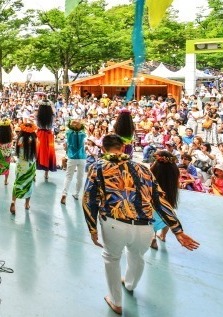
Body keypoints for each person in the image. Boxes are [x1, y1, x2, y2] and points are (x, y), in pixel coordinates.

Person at [82, 134, 199, 315]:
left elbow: (89, 199)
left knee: (111, 259)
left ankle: (116, 302)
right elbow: (160, 200)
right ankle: (129, 284)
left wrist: (92, 228)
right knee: (137, 257)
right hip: (145, 227)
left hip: (114, 224)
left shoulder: (97, 167)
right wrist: (178, 230)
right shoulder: (142, 168)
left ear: (103, 150)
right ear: (122, 148)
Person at [149, 151, 180, 250]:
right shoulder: (175, 169)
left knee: (152, 215)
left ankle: (153, 236)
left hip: (154, 196)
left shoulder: (154, 168)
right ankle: (163, 235)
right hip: (168, 197)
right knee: (167, 215)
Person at [10, 122, 38, 215]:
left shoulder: (19, 139)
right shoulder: (33, 140)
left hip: (19, 166)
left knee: (17, 183)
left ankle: (13, 201)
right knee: (28, 185)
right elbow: (36, 153)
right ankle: (26, 204)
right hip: (29, 166)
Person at [61, 119, 87, 204]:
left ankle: (64, 194)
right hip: (82, 158)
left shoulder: (68, 133)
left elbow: (66, 144)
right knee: (80, 177)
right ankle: (76, 194)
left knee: (68, 177)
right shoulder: (82, 134)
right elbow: (82, 131)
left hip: (72, 158)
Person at [35, 100, 57, 180]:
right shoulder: (51, 116)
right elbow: (52, 125)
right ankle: (46, 173)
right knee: (48, 153)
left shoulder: (38, 116)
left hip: (40, 135)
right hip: (49, 135)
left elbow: (37, 125)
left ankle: (34, 173)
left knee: (38, 152)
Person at [0, 120, 13, 188]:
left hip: (0, 150)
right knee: (7, 166)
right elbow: (11, 140)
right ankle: (5, 181)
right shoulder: (10, 135)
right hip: (7, 152)